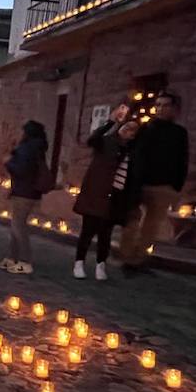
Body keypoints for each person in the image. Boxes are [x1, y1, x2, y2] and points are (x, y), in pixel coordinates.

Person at [120, 90, 189, 276]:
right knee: (132, 222)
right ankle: (126, 258)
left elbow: (182, 159)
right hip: (140, 184)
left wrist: (176, 185)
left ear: (174, 109)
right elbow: (134, 155)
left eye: (165, 105)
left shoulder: (179, 133)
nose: (160, 109)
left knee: (151, 226)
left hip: (163, 186)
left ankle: (139, 259)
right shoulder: (145, 129)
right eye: (157, 105)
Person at [73, 119, 139, 280]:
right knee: (87, 231)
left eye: (132, 129)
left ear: (135, 135)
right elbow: (93, 139)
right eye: (126, 126)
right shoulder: (106, 142)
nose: (127, 130)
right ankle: (79, 263)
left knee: (105, 234)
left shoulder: (132, 151)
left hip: (115, 197)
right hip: (96, 194)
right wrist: (111, 121)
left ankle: (100, 264)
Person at [0, 120, 49, 274]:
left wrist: (8, 163)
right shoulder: (37, 148)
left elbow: (21, 170)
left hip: (23, 192)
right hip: (30, 192)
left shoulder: (27, 148)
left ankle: (25, 261)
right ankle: (11, 257)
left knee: (18, 226)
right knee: (16, 224)